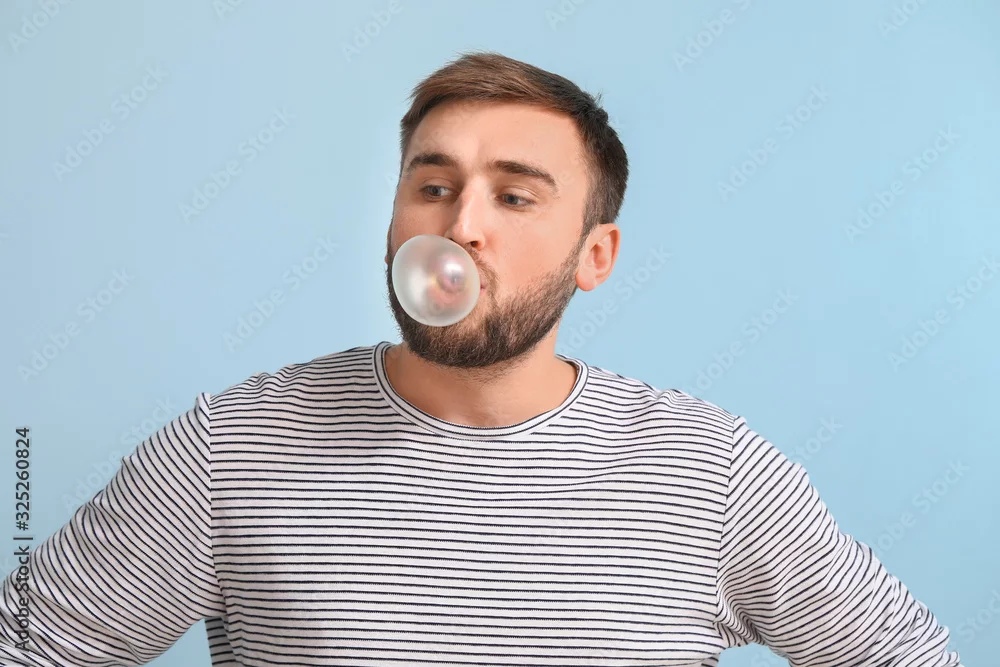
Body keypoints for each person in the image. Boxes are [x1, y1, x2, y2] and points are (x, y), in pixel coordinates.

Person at [0, 51, 962, 666]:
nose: (460, 226)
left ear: (595, 256)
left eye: (514, 196)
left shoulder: (709, 473)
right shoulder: (232, 449)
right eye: (432, 185)